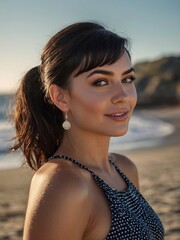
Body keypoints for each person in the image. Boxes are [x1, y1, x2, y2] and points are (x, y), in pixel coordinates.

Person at [12, 22, 164, 240]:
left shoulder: (124, 167)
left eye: (127, 79)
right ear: (61, 97)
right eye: (101, 82)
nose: (123, 95)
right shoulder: (62, 184)